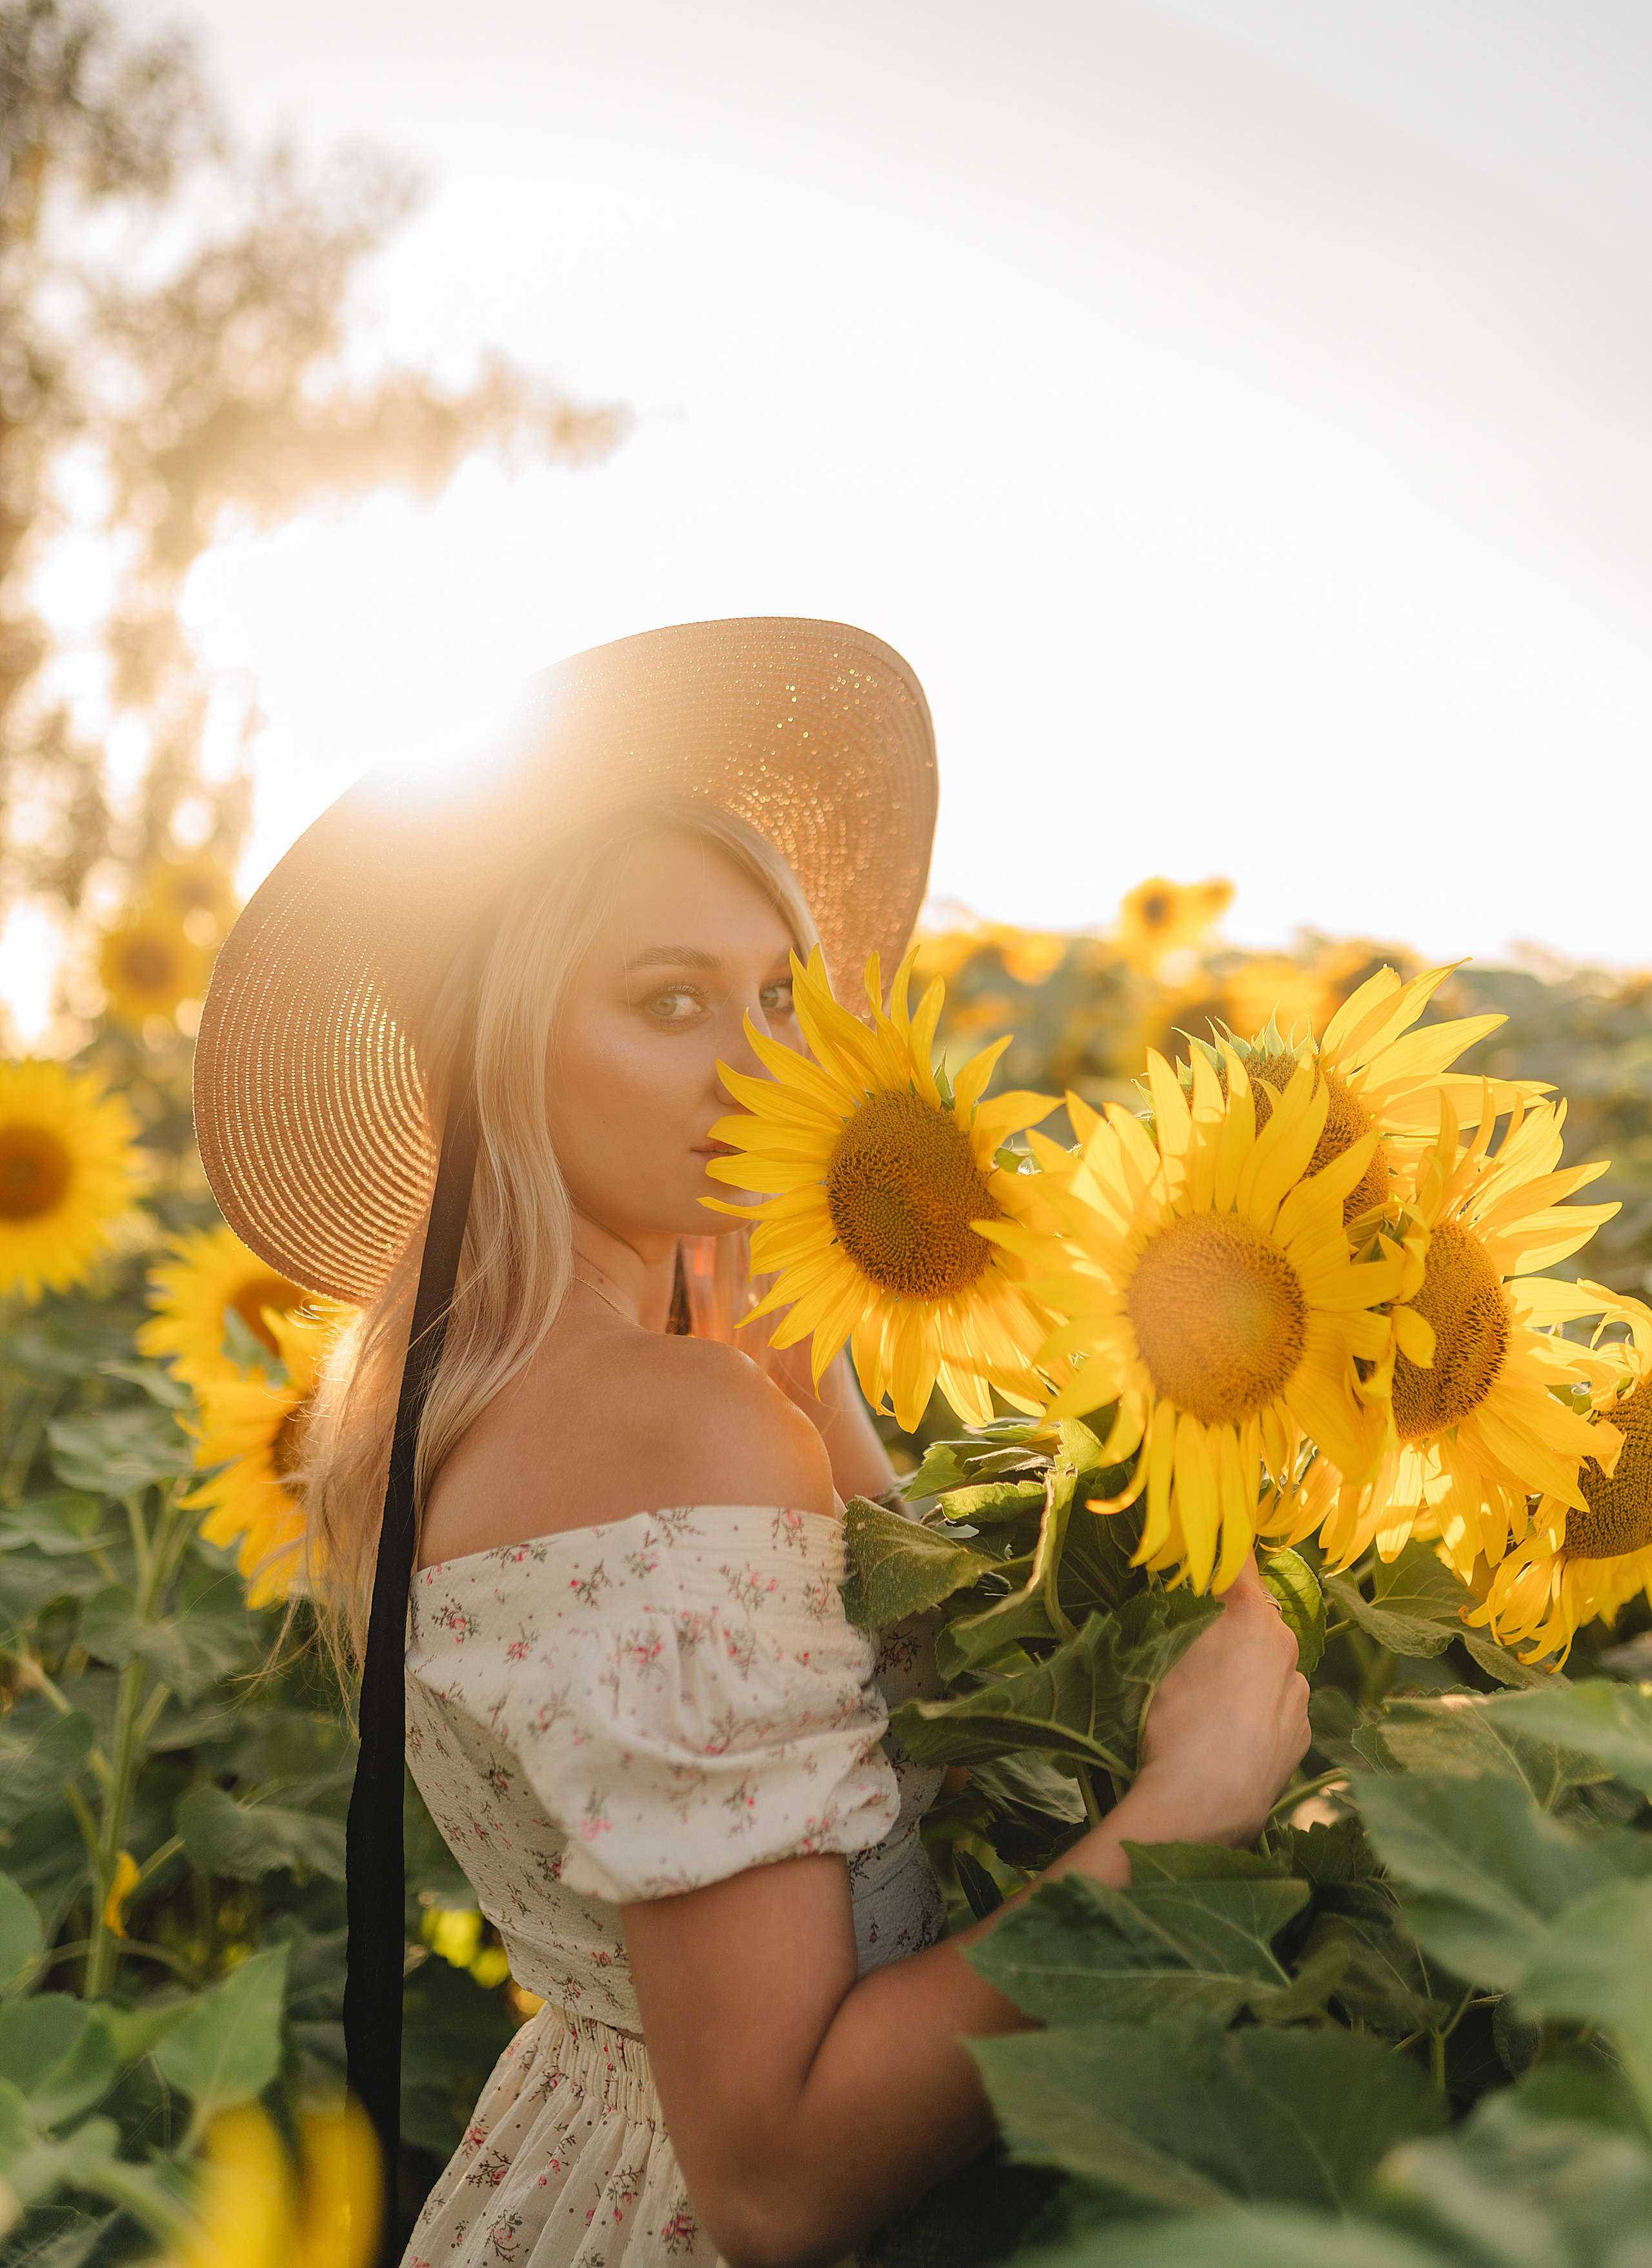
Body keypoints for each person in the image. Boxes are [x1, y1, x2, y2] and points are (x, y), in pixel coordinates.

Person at [193, 618, 1309, 2268]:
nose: (764, 1060)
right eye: (669, 1001)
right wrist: (1187, 1807)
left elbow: (879, 1710)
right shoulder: (665, 1428)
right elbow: (778, 2178)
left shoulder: (480, 1396)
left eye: (778, 994)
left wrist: (812, 1367)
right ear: (500, 1051)